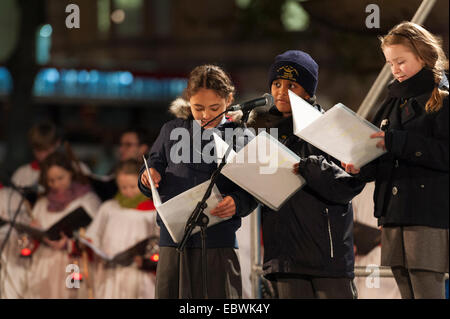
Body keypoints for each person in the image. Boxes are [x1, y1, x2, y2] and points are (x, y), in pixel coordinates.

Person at [342, 22, 449, 299]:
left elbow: (444, 153)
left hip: (427, 213)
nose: (395, 69)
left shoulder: (443, 99)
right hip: (394, 213)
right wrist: (362, 167)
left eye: (401, 61)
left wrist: (397, 142)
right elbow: (382, 151)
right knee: (404, 283)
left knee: (426, 285)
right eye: (390, 63)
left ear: (423, 57)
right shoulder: (391, 100)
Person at [248, 50, 364, 299]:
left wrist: (308, 167)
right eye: (277, 84)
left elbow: (348, 186)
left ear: (308, 92)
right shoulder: (262, 132)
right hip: (284, 259)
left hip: (327, 260)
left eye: (292, 85)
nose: (281, 91)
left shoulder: (330, 127)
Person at [138, 64, 258, 299]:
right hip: (173, 241)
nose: (206, 115)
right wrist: (148, 175)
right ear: (188, 101)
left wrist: (238, 202)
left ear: (229, 99)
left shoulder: (241, 135)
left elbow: (253, 189)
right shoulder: (172, 130)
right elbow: (153, 164)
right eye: (198, 107)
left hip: (218, 240)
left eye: (215, 108)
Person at [24, 151, 101, 299]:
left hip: (73, 264)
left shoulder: (87, 200)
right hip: (45, 265)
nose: (56, 184)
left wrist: (71, 243)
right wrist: (33, 231)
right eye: (51, 180)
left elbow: (96, 236)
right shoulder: (42, 203)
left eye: (60, 178)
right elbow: (31, 239)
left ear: (71, 173)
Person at [85, 159, 158, 299]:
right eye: (123, 187)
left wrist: (147, 259)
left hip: (138, 274)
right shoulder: (110, 207)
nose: (128, 191)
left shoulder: (152, 212)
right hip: (110, 271)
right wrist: (95, 248)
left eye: (132, 186)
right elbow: (94, 234)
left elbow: (157, 242)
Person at [352, 182, 401, 299]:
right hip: (366, 262)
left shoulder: (401, 190)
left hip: (394, 260)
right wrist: (380, 237)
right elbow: (349, 229)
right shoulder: (359, 191)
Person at [0, 184, 33, 298]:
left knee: (16, 281)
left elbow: (24, 225)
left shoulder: (12, 195)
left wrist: (24, 248)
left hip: (14, 250)